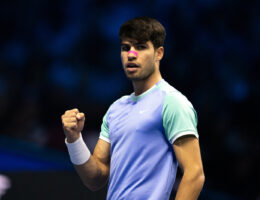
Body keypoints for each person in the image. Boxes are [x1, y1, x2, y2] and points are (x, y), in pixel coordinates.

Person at [61, 16, 205, 200]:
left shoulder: (172, 102)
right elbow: (95, 179)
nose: (131, 54)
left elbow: (195, 174)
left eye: (141, 47)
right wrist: (74, 140)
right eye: (126, 47)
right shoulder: (115, 109)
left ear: (159, 53)